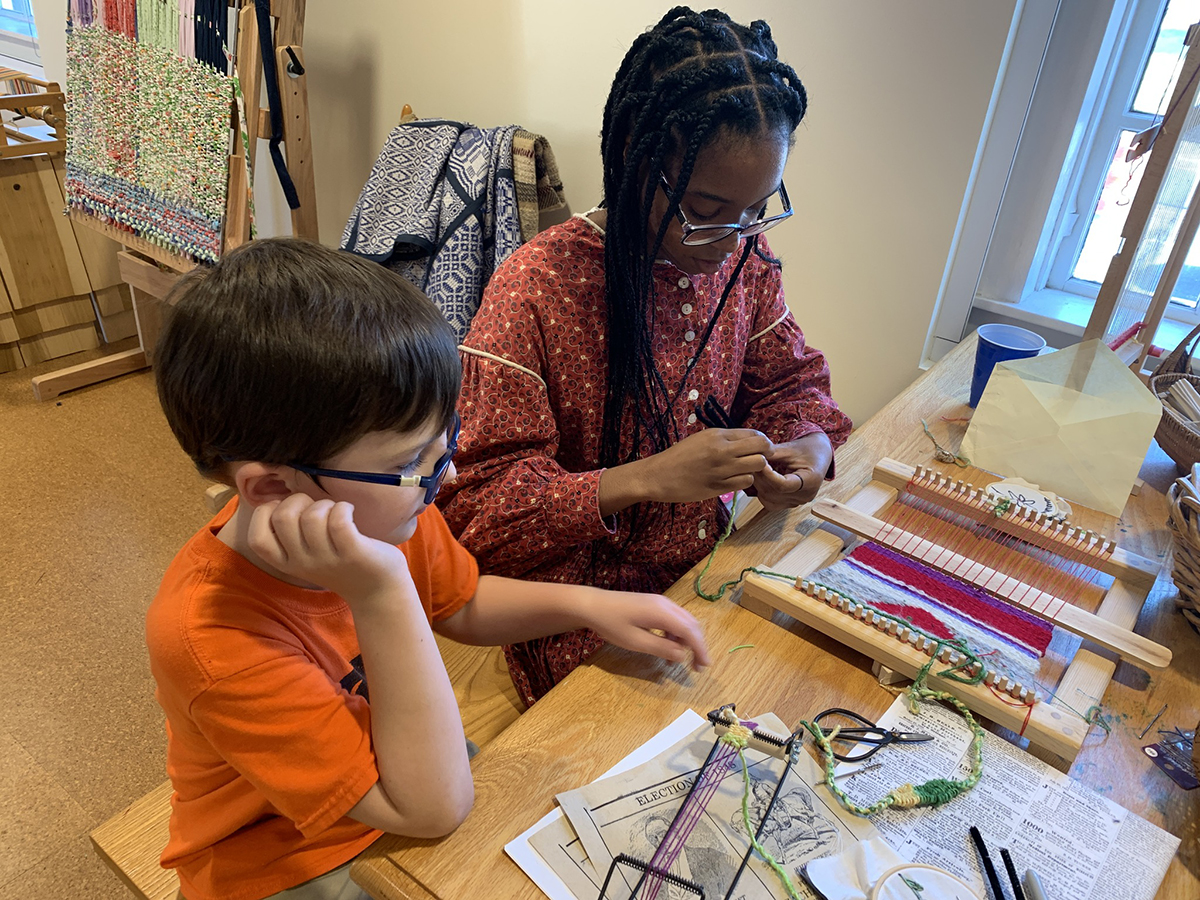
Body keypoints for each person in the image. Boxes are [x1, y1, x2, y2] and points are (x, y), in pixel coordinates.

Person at [146, 238, 710, 900]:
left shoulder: (382, 506)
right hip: (281, 861)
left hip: (404, 774)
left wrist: (587, 605)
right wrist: (379, 588)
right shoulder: (209, 638)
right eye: (413, 461)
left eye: (445, 442)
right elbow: (433, 807)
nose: (441, 477)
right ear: (274, 491)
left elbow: (461, 604)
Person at [440, 7, 852, 706]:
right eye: (709, 207)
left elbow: (791, 379)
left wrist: (807, 446)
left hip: (707, 572)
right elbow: (479, 514)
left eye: (757, 209)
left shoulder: (743, 259)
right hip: (579, 620)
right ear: (636, 156)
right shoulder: (538, 287)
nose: (735, 236)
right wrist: (640, 480)